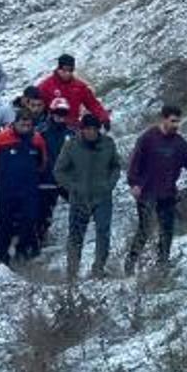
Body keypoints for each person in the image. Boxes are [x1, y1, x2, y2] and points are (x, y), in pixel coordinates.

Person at [125, 105, 187, 274]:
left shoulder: (179, 142)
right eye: (172, 121)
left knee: (167, 230)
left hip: (167, 192)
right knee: (144, 229)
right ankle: (130, 263)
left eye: (178, 121)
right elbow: (134, 162)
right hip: (146, 192)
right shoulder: (147, 138)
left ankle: (162, 264)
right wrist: (134, 183)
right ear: (163, 119)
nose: (176, 125)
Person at [54, 115, 122, 280]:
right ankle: (72, 273)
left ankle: (98, 269)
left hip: (102, 196)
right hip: (79, 198)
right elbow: (59, 171)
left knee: (103, 232)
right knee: (76, 235)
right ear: (81, 130)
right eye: (87, 129)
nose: (91, 132)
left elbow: (116, 166)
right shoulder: (71, 145)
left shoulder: (108, 144)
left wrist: (109, 184)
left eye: (94, 129)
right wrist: (73, 188)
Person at [0, 110, 49, 265]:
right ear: (15, 123)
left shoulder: (37, 139)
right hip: (7, 188)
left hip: (29, 188)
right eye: (22, 123)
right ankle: (1, 256)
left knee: (29, 219)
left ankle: (21, 251)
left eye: (28, 124)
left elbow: (43, 162)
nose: (25, 127)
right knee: (5, 221)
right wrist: (0, 176)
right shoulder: (1, 138)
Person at [37, 54, 111, 129]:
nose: (67, 73)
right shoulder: (46, 86)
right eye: (64, 70)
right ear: (58, 68)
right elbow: (34, 104)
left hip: (72, 126)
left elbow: (93, 104)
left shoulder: (80, 87)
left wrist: (104, 117)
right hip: (51, 125)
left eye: (70, 70)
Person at [37, 97, 75, 242]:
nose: (60, 116)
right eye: (58, 112)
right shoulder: (41, 132)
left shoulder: (72, 133)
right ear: (51, 113)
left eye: (63, 113)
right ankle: (39, 242)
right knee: (43, 215)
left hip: (66, 180)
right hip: (45, 179)